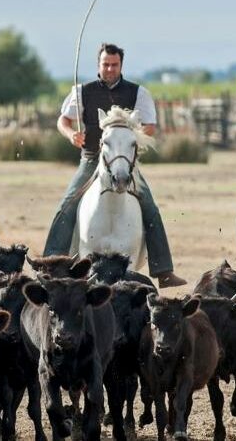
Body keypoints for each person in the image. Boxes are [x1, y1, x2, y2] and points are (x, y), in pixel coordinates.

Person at [43, 43, 187, 289]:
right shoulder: (82, 91)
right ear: (98, 64)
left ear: (121, 65)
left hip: (126, 164)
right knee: (67, 204)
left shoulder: (138, 93)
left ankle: (163, 269)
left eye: (114, 64)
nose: (110, 69)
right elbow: (63, 120)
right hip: (91, 159)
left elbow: (150, 126)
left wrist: (132, 135)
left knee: (150, 207)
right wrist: (71, 135)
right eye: (105, 64)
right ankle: (51, 265)